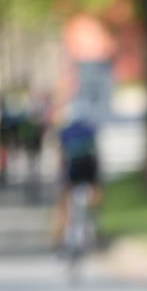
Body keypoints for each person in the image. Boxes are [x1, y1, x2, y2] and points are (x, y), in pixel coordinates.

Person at [52, 105, 101, 250]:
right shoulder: (90, 130)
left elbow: (61, 155)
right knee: (95, 191)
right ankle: (94, 221)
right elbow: (96, 152)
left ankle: (60, 235)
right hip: (89, 167)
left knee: (65, 198)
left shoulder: (65, 132)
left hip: (72, 168)